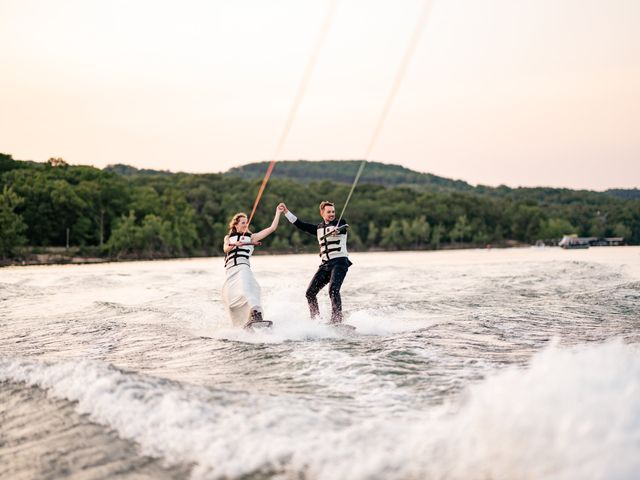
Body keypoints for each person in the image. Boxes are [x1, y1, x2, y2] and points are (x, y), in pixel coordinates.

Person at [279, 201, 352, 324]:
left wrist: (337, 230)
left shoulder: (340, 223)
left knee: (333, 290)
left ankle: (337, 320)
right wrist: (286, 212)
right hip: (325, 265)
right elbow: (300, 224)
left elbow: (344, 228)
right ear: (322, 213)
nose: (331, 214)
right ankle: (316, 320)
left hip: (340, 262)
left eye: (333, 211)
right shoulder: (318, 229)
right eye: (328, 212)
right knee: (310, 293)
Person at [222, 205, 283, 329]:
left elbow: (272, 228)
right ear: (236, 225)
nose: (246, 225)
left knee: (246, 286)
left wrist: (278, 212)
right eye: (243, 223)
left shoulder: (252, 237)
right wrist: (235, 245)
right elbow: (225, 248)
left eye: (247, 222)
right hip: (230, 272)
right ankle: (242, 323)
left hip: (243, 267)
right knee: (231, 303)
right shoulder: (228, 238)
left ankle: (256, 312)